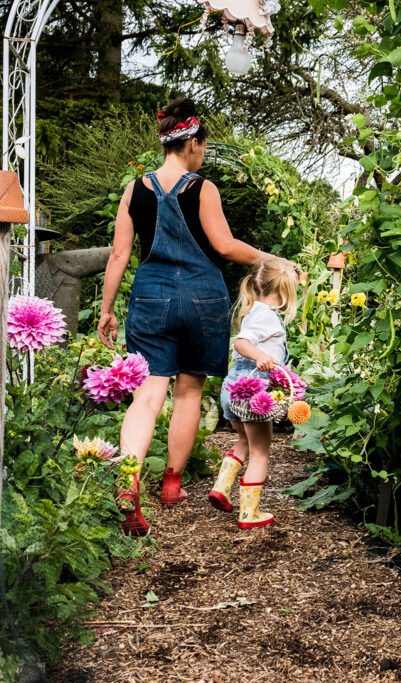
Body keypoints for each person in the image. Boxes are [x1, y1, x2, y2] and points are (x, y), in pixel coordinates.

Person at [98, 97, 279, 535]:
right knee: (188, 391)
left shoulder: (135, 188)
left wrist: (106, 310)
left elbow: (120, 252)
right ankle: (172, 484)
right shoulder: (203, 188)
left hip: (150, 298)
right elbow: (224, 246)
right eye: (202, 144)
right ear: (193, 143)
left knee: (147, 394)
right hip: (203, 299)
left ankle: (128, 481)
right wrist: (271, 258)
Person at [209, 258, 297, 529]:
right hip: (251, 392)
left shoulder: (253, 311)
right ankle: (249, 513)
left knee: (243, 440)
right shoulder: (266, 316)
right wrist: (260, 355)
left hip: (233, 390)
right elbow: (242, 342)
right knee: (260, 452)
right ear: (284, 291)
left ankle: (222, 489)